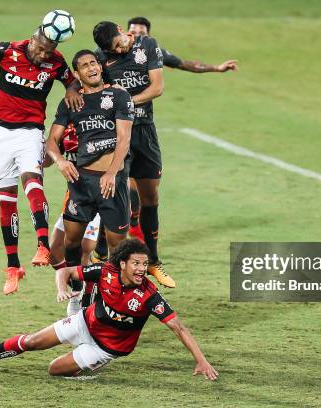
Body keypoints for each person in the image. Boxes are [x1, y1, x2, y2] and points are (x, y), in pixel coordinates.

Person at [0, 239, 218, 380]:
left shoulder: (148, 295)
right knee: (33, 341)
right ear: (123, 262)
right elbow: (67, 271)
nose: (141, 269)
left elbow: (177, 326)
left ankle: (90, 363)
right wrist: (61, 288)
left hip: (106, 347)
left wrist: (201, 360)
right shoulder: (106, 272)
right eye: (136, 263)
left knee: (54, 371)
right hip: (85, 322)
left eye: (145, 264)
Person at [0, 24, 81, 295]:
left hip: (30, 132)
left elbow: (73, 81)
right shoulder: (8, 50)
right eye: (41, 48)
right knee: (6, 199)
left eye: (50, 50)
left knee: (33, 182)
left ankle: (43, 244)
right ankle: (13, 266)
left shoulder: (56, 63)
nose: (44, 55)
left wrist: (71, 89)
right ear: (32, 39)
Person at [125, 17, 238, 240]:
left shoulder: (153, 51)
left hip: (144, 126)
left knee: (144, 186)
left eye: (142, 32)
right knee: (127, 183)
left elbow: (184, 63)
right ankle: (124, 230)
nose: (137, 35)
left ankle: (135, 225)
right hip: (120, 125)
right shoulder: (115, 52)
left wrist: (216, 68)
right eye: (133, 31)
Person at [45, 49, 134, 314]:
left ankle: (114, 300)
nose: (91, 67)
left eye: (93, 63)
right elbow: (51, 140)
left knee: (119, 248)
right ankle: (76, 295)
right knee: (72, 244)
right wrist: (61, 161)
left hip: (112, 183)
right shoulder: (71, 103)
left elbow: (124, 139)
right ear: (78, 73)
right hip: (82, 183)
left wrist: (112, 172)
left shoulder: (119, 95)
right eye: (84, 65)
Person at [93, 21, 175, 288]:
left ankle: (153, 261)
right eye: (113, 49)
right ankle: (103, 253)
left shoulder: (148, 45)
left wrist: (125, 100)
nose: (118, 50)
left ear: (121, 31)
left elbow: (157, 88)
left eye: (119, 43)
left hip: (145, 133)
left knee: (150, 196)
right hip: (118, 136)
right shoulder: (100, 59)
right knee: (118, 199)